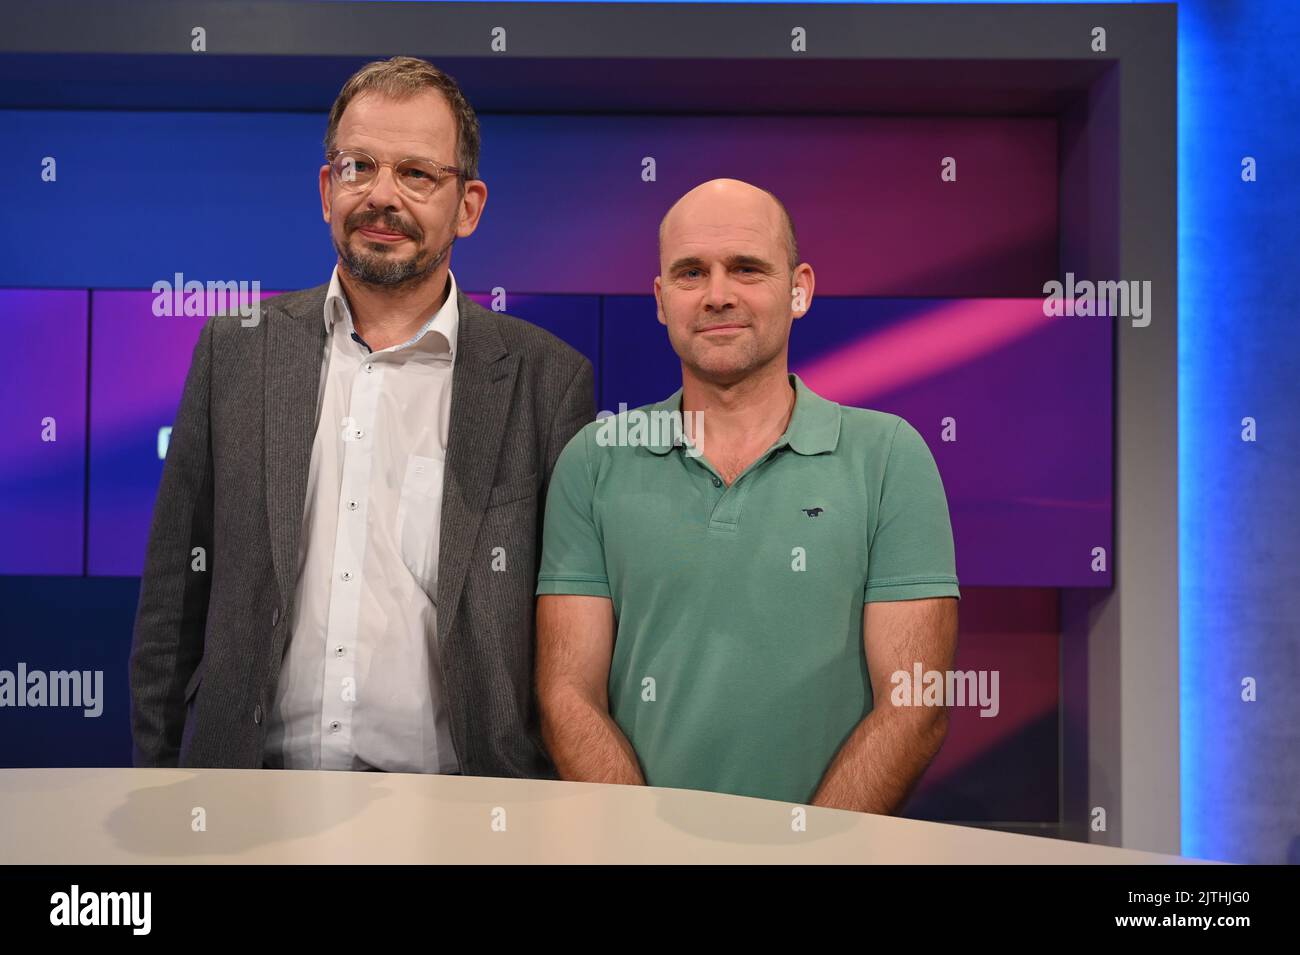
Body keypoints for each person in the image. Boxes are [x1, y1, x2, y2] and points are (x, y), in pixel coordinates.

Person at [130, 56, 594, 776]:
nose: (382, 195)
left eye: (416, 174)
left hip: (464, 816)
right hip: (247, 801)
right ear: (326, 188)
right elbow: (172, 603)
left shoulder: (548, 381)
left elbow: (569, 642)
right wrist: (158, 786)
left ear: (467, 206)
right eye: (359, 167)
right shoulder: (236, 352)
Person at [536, 178, 958, 811]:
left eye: (746, 269)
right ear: (660, 299)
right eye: (689, 273)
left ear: (800, 289)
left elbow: (914, 705)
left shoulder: (890, 456)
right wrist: (642, 848)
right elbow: (567, 695)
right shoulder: (594, 460)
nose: (717, 295)